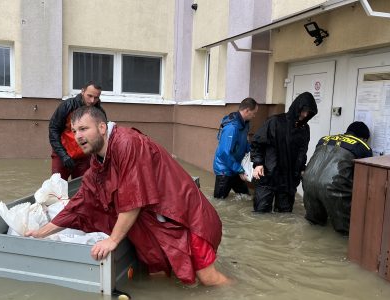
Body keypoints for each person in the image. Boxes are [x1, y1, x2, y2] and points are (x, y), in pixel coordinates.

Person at [27, 106, 229, 286]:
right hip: (160, 224)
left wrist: (113, 241)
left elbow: (133, 199)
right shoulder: (97, 162)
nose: (78, 136)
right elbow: (80, 203)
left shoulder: (128, 144)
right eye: (74, 131)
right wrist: (42, 233)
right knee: (159, 275)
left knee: (208, 279)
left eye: (83, 129)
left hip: (184, 217)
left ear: (102, 128)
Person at [250, 92, 318, 213]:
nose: (305, 115)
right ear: (297, 108)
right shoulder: (275, 121)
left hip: (289, 180)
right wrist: (258, 163)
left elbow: (303, 152)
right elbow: (257, 142)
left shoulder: (305, 129)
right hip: (268, 174)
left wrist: (301, 169)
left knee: (285, 215)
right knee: (261, 212)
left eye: (309, 112)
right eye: (304, 111)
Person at [302, 121, 373, 235]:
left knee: (313, 224)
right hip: (333, 188)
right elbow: (364, 178)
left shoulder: (324, 139)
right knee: (344, 231)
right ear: (364, 138)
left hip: (308, 182)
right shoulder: (363, 147)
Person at [48, 81, 106, 180]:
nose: (92, 100)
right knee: (56, 187)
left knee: (82, 187)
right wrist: (63, 155)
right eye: (90, 96)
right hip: (62, 153)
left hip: (85, 156)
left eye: (96, 97)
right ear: (82, 91)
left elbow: (102, 136)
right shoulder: (67, 106)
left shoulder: (99, 112)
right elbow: (53, 129)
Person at [213, 97, 259, 199]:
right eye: (254, 113)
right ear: (247, 111)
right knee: (219, 201)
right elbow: (225, 153)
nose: (254, 116)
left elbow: (244, 143)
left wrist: (252, 157)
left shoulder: (245, 124)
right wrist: (240, 170)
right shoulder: (232, 128)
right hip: (225, 170)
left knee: (246, 197)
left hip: (236, 168)